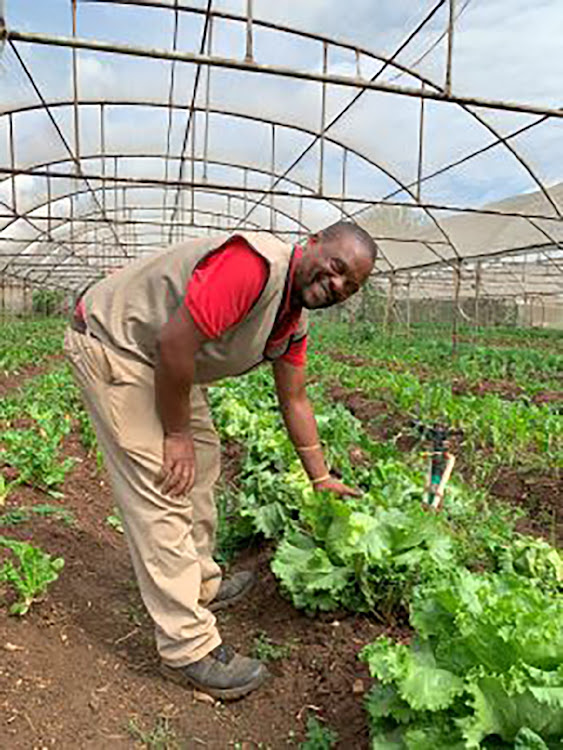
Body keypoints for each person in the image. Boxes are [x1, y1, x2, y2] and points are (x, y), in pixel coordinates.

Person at [64, 221, 377, 701]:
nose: (337, 285)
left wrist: (321, 478)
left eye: (349, 285)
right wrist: (174, 434)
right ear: (312, 243)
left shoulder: (292, 322)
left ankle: (200, 583)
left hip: (164, 361)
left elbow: (295, 399)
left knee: (201, 466)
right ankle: (186, 648)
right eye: (337, 268)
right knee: (164, 484)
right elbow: (173, 345)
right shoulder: (253, 266)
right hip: (118, 346)